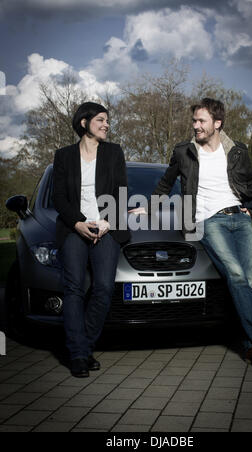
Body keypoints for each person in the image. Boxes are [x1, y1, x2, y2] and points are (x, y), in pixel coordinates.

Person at [130, 98, 252, 369]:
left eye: (201, 121)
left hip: (238, 218)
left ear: (217, 123)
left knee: (250, 282)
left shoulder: (237, 151)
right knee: (236, 275)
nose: (196, 126)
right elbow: (166, 184)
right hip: (207, 221)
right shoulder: (185, 152)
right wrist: (148, 206)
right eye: (194, 121)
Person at [53, 102, 130, 378]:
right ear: (84, 123)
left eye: (108, 120)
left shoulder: (113, 152)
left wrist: (107, 221)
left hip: (107, 227)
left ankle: (83, 346)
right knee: (73, 289)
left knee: (103, 288)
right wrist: (77, 223)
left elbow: (121, 190)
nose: (106, 124)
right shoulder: (63, 156)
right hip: (74, 228)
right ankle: (78, 354)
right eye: (100, 119)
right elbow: (59, 197)